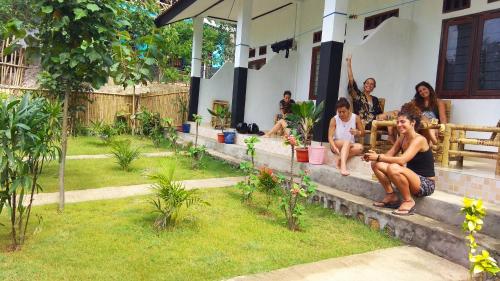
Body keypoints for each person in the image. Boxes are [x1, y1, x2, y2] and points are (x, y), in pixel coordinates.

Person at [364, 102, 435, 216]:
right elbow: (390, 154)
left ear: (412, 123)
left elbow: (402, 160)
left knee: (393, 167)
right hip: (410, 178)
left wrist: (379, 157)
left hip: (425, 183)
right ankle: (391, 195)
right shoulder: (402, 137)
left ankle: (408, 201)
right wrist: (374, 156)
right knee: (376, 164)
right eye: (397, 122)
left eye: (403, 122)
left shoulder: (419, 139)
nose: (399, 125)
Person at [328, 97, 365, 176]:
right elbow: (330, 137)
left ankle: (340, 159)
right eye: (339, 112)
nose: (341, 114)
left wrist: (357, 132)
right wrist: (333, 146)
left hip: (349, 145)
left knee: (360, 147)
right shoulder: (334, 119)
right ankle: (343, 167)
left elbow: (363, 133)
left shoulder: (355, 118)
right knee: (347, 142)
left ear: (349, 110)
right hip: (337, 144)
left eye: (343, 112)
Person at [346, 55, 383, 130]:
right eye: (367, 83)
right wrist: (349, 64)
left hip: (376, 121)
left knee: (392, 124)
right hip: (364, 122)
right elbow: (351, 80)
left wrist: (381, 118)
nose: (369, 85)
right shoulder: (358, 95)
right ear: (364, 84)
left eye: (372, 84)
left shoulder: (375, 99)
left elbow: (379, 113)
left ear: (374, 87)